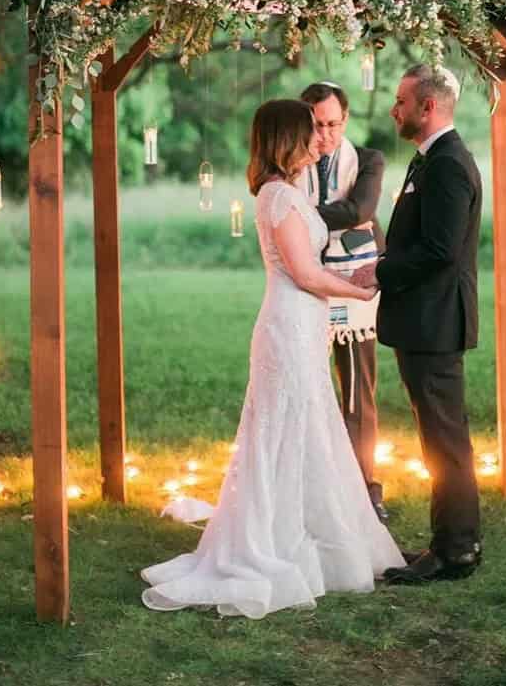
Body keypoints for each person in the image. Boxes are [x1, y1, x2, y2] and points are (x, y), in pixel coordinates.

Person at [141, 100, 404, 617]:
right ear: (287, 140)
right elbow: (304, 275)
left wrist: (346, 282)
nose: (318, 141)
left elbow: (311, 269)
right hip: (288, 323)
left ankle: (312, 529)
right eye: (309, 133)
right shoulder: (278, 196)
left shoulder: (290, 193)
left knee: (310, 427)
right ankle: (275, 539)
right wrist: (356, 292)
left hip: (305, 322)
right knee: (283, 428)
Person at [353, 64, 482, 585]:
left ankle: (455, 550)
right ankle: (450, 542)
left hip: (435, 324)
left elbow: (439, 250)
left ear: (428, 107)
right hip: (422, 322)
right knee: (440, 438)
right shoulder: (430, 160)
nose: (394, 109)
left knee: (445, 441)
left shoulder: (448, 164)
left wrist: (380, 269)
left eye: (402, 101)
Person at [297, 81, 388, 522]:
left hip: (357, 284)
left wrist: (296, 212)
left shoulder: (368, 160)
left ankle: (364, 488)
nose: (326, 135)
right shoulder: (292, 161)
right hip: (302, 285)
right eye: (317, 125)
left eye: (334, 124)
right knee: (306, 389)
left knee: (357, 392)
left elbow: (360, 211)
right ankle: (315, 488)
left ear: (345, 120)